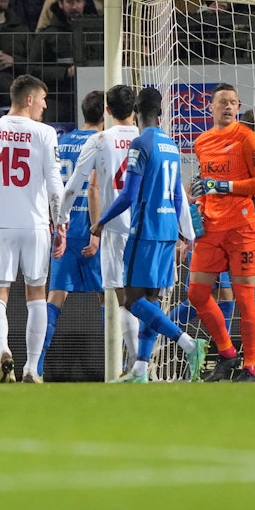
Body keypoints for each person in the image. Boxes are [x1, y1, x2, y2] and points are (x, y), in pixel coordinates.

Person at [89, 86, 205, 383]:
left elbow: (128, 195)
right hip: (168, 231)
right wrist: (182, 233)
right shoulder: (171, 145)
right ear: (161, 113)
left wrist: (101, 221)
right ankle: (140, 368)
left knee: (130, 299)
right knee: (151, 300)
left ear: (137, 112)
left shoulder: (141, 144)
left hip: (146, 230)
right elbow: (179, 198)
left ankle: (188, 344)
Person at [0, 74, 66, 383]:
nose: (46, 106)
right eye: (43, 100)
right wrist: (60, 221)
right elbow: (54, 184)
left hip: (1, 224)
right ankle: (32, 368)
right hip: (36, 225)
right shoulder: (46, 133)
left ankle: (3, 351)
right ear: (29, 99)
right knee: (36, 296)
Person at [169, 109, 255, 335]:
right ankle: (162, 331)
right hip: (213, 235)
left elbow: (247, 200)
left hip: (231, 233)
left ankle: (216, 352)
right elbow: (192, 190)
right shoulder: (223, 152)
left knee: (224, 298)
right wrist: (188, 234)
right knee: (212, 299)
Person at [188, 83, 255, 382]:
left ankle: (250, 366)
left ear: (238, 108)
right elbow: (205, 182)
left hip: (243, 229)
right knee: (197, 294)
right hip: (211, 228)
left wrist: (224, 186)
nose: (227, 107)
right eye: (222, 102)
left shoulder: (250, 140)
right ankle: (226, 353)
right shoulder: (202, 142)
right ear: (209, 107)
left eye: (233, 103)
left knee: (244, 297)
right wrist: (199, 199)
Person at [57, 83, 141, 375]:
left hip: (115, 227)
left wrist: (62, 218)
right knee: (142, 298)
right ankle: (139, 364)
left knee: (117, 295)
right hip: (147, 228)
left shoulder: (101, 139)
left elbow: (76, 185)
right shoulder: (148, 139)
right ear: (135, 110)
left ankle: (128, 367)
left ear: (108, 110)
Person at [37, 90, 105, 380]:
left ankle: (35, 367)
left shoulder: (62, 142)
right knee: (110, 298)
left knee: (54, 298)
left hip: (63, 230)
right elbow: (95, 188)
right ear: (106, 114)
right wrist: (96, 230)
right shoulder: (101, 143)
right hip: (90, 229)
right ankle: (121, 367)